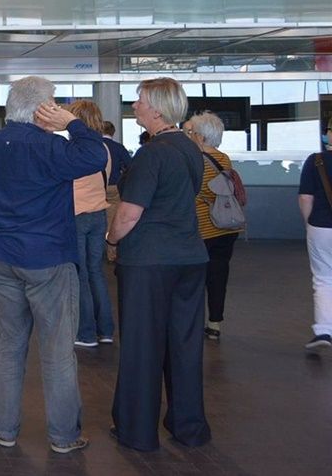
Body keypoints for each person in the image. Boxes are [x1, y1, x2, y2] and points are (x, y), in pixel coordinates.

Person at [0, 77, 106, 454]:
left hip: (1, 257)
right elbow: (96, 157)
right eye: (54, 102)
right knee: (56, 352)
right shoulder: (50, 146)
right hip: (47, 259)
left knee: (9, 346)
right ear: (43, 109)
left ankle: (4, 429)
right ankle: (64, 436)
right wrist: (73, 123)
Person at [107, 77, 211, 452]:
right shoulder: (190, 148)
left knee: (141, 344)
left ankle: (137, 430)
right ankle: (189, 426)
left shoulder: (152, 153)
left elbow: (129, 214)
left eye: (138, 100)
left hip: (149, 261)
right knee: (183, 344)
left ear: (155, 108)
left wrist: (111, 240)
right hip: (190, 257)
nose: (134, 105)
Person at [184, 111, 244, 340]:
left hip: (202, 229)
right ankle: (215, 323)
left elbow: (190, 193)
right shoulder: (224, 158)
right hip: (226, 228)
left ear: (200, 136)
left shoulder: (196, 161)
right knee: (219, 276)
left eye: (191, 132)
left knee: (195, 278)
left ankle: (192, 322)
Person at [66, 101, 114, 348]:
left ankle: (85, 333)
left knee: (80, 274)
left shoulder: (74, 149)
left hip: (75, 215)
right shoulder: (103, 148)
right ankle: (105, 330)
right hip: (99, 214)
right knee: (96, 272)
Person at [297, 118, 332, 353]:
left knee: (323, 278)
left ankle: (324, 330)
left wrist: (308, 223)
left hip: (322, 225)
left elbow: (305, 197)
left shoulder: (316, 161)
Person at [101, 121, 133, 231]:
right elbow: (130, 166)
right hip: (113, 185)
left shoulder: (96, 146)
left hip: (95, 186)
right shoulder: (119, 147)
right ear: (113, 133)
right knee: (112, 215)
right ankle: (109, 239)